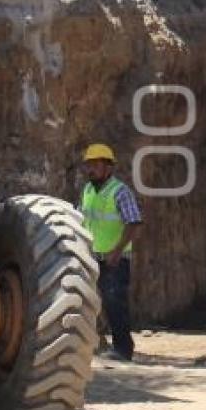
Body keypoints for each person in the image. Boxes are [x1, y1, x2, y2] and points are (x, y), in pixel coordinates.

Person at [79, 143, 144, 362]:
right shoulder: (88, 190)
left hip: (114, 259)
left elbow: (133, 223)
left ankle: (123, 349)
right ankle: (95, 343)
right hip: (90, 257)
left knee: (115, 303)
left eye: (96, 165)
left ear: (108, 167)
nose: (91, 169)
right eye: (89, 165)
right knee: (86, 302)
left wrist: (116, 252)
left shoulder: (120, 191)